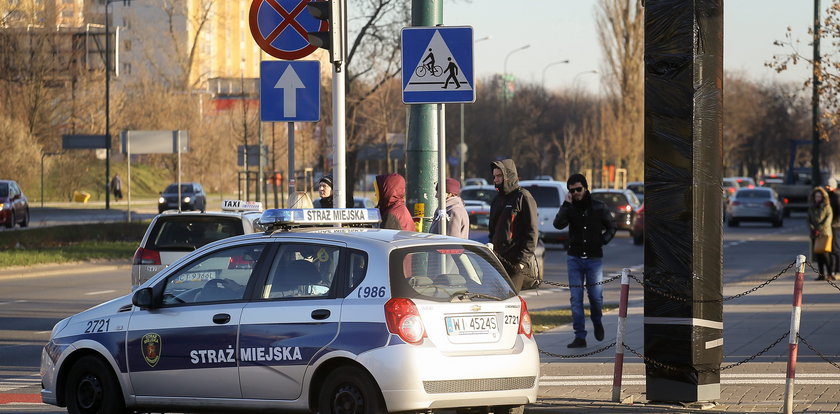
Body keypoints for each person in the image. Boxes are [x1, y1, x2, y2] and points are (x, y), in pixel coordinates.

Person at [553, 173, 617, 348]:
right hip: (574, 258)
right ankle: (580, 336)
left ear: (586, 188)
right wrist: (566, 204)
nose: (576, 193)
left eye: (578, 189)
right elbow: (558, 224)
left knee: (596, 297)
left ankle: (597, 320)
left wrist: (602, 240)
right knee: (576, 298)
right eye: (572, 191)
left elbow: (612, 225)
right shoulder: (570, 207)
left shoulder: (598, 207)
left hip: (594, 259)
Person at [488, 159, 539, 293]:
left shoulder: (523, 197)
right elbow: (492, 231)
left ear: (508, 175)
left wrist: (522, 262)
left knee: (511, 300)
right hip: (498, 261)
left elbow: (532, 232)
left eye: (499, 176)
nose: (496, 179)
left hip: (516, 263)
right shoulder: (496, 200)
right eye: (494, 176)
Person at [809, 186, 834, 281]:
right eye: (816, 196)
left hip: (825, 233)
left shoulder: (827, 206)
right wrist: (813, 228)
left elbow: (828, 219)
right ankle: (821, 274)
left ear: (823, 197)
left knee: (825, 253)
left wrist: (820, 228)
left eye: (819, 196)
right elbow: (808, 219)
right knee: (818, 255)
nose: (818, 198)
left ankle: (830, 273)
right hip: (815, 234)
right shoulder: (812, 207)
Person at [826, 178, 840, 273]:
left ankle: (837, 270)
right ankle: (832, 270)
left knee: (836, 248)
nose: (827, 187)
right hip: (831, 225)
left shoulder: (837, 197)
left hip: (836, 225)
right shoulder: (829, 196)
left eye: (829, 186)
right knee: (830, 249)